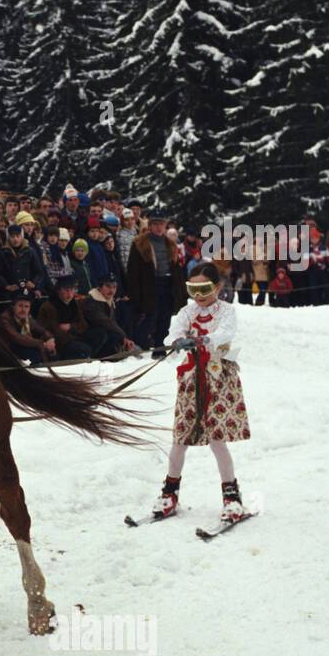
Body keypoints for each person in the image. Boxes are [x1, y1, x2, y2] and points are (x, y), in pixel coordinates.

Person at [149, 262, 251, 522]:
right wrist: (177, 341)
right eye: (193, 289)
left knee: (217, 440)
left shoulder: (227, 311)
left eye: (204, 288)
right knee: (180, 438)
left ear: (217, 286)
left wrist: (207, 339)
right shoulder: (186, 311)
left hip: (217, 378)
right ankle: (170, 492)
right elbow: (171, 334)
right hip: (191, 378)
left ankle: (232, 496)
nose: (199, 295)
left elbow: (227, 331)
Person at [125, 212, 185, 350]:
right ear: (150, 226)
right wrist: (134, 292)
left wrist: (179, 289)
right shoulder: (140, 243)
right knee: (149, 317)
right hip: (149, 285)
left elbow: (176, 268)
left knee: (165, 318)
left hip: (167, 284)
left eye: (161, 224)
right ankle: (140, 345)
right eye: (155, 224)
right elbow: (133, 271)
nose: (158, 227)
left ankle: (159, 345)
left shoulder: (170, 244)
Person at [37, 277, 95, 360]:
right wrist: (74, 336)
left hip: (74, 335)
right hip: (58, 341)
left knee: (98, 335)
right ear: (58, 290)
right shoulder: (49, 306)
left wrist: (71, 327)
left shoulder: (74, 304)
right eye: (66, 290)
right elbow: (52, 329)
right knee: (84, 348)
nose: (70, 293)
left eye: (72, 290)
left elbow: (83, 324)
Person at [0, 295, 56, 365]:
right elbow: (16, 338)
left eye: (26, 307)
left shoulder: (27, 317)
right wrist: (42, 343)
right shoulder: (4, 319)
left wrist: (50, 339)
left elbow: (42, 330)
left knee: (52, 353)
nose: (23, 310)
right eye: (20, 306)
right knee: (35, 356)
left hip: (23, 345)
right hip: (7, 348)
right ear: (13, 307)